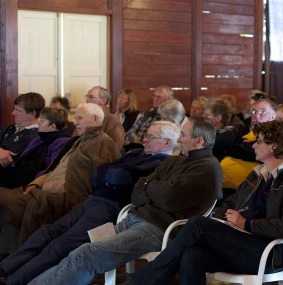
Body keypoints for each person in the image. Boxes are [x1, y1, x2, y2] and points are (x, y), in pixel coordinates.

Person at [28, 116, 223, 285]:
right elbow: (137, 190)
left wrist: (150, 187)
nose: (178, 140)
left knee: (89, 253)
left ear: (199, 140)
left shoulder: (207, 169)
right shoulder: (175, 160)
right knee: (80, 247)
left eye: (183, 135)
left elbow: (168, 200)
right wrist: (152, 188)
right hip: (132, 218)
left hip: (157, 229)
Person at [127, 120, 283, 285]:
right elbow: (229, 202)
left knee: (198, 223)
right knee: (192, 256)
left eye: (259, 141)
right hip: (241, 241)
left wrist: (246, 224)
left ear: (273, 146)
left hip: (269, 252)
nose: (253, 146)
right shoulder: (258, 173)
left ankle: (144, 281)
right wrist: (224, 218)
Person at [0, 121, 176, 284]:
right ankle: (5, 268)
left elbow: (119, 175)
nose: (145, 139)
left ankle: (14, 281)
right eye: (146, 135)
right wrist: (111, 176)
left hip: (110, 209)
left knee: (61, 244)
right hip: (93, 199)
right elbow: (99, 172)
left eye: (151, 137)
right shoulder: (137, 153)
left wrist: (111, 175)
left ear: (167, 143)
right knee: (47, 231)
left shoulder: (161, 163)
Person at [0, 103, 121, 242]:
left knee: (8, 203)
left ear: (95, 119)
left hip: (56, 199)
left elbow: (84, 188)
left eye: (79, 118)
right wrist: (35, 184)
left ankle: (10, 256)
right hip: (42, 190)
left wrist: (41, 191)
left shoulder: (102, 144)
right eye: (75, 118)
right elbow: (54, 169)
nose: (75, 123)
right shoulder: (78, 141)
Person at [0, 108, 71, 189]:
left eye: (42, 121)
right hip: (19, 174)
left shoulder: (62, 142)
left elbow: (52, 169)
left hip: (33, 180)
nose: (38, 123)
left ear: (52, 126)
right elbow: (22, 158)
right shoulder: (38, 139)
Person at [219, 97, 278, 190]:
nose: (257, 116)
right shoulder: (244, 130)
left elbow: (251, 152)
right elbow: (223, 146)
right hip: (225, 186)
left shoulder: (274, 135)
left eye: (262, 112)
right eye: (254, 112)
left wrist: (234, 148)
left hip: (252, 190)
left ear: (273, 116)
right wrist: (241, 145)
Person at [0, 93, 45, 169]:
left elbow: (10, 160)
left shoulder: (36, 137)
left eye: (18, 110)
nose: (13, 113)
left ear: (32, 114)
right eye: (15, 109)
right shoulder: (10, 128)